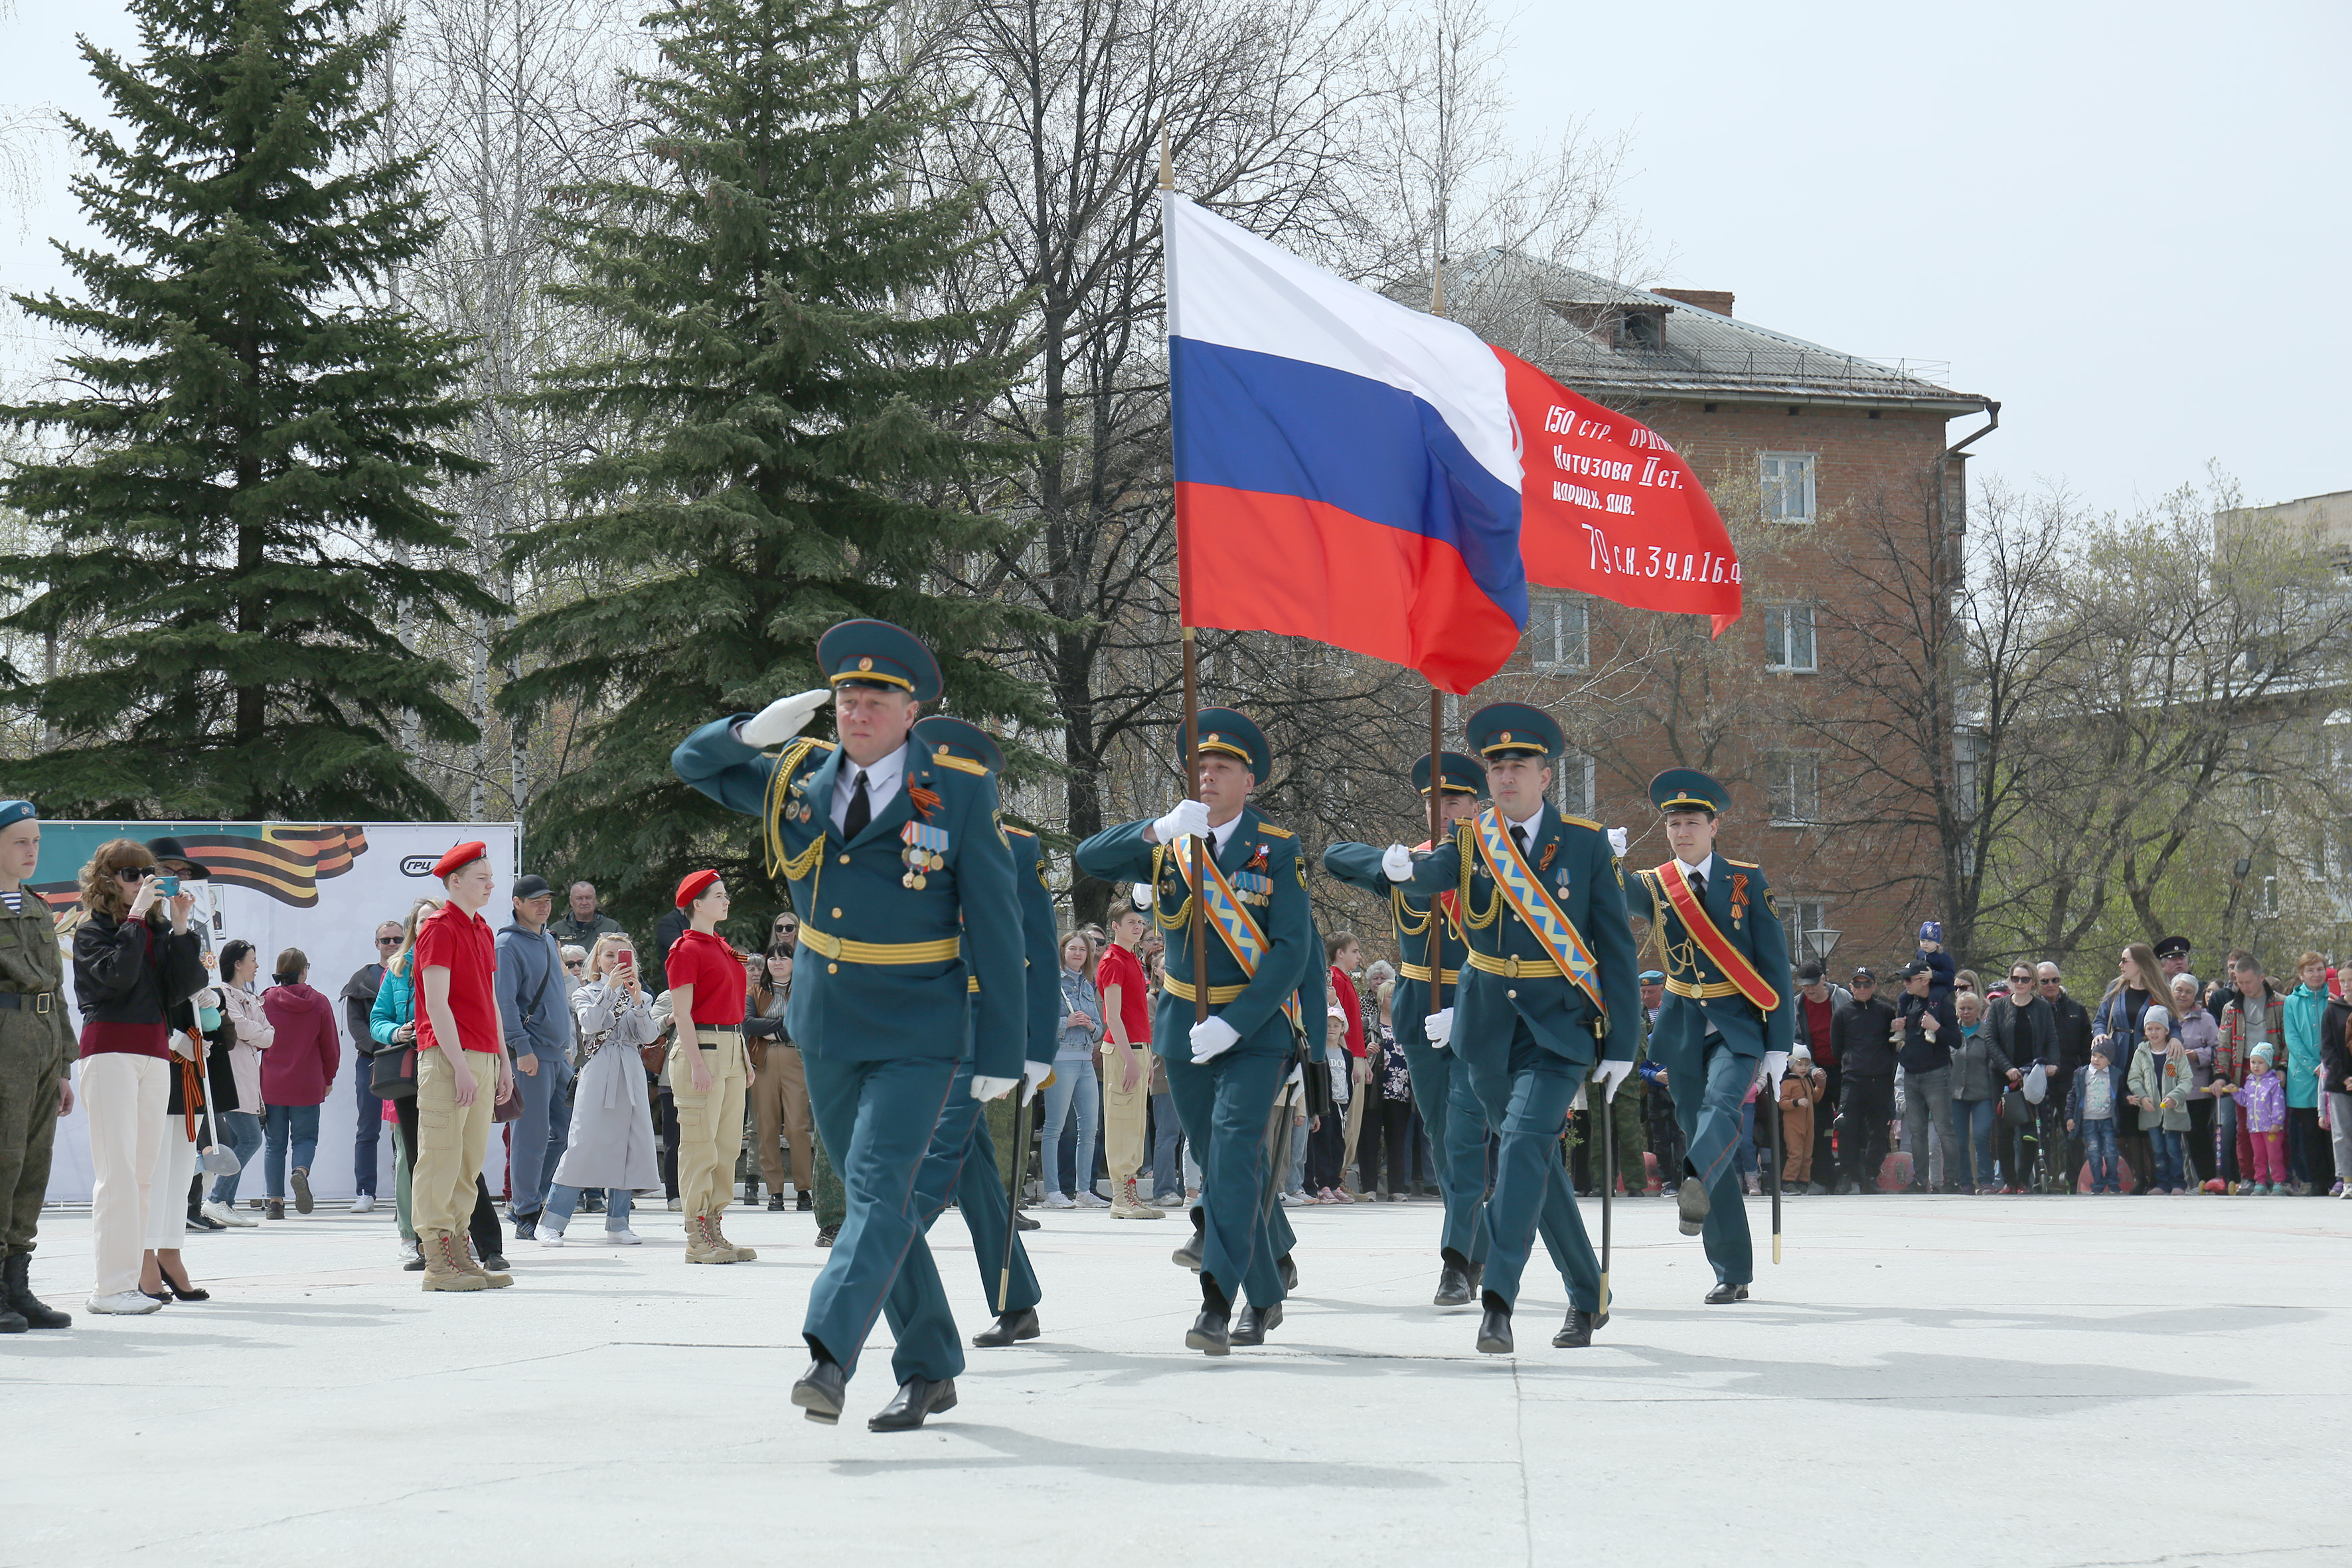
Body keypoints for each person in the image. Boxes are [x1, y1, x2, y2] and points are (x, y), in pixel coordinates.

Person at [672, 617, 1028, 1431]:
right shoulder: (798, 779)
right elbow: (691, 764)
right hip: (827, 1025)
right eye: (846, 696)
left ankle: (830, 1355)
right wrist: (745, 732)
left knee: (872, 1190)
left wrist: (1005, 1047)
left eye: (876, 698)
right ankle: (932, 1364)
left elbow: (999, 927)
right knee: (885, 1203)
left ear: (910, 712)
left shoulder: (958, 790)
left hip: (917, 1027)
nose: (856, 710)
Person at [1387, 704, 1637, 1350]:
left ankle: (1497, 1297)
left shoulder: (1583, 844)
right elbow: (1432, 874)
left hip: (1558, 1031)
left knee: (1525, 1144)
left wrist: (1622, 1042)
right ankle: (1588, 1293)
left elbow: (1615, 949)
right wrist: (1398, 868)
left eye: (1517, 765)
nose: (1504, 776)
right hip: (1488, 1030)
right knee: (1540, 1166)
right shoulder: (1472, 840)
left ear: (1545, 774)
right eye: (1496, 765)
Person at [1075, 704, 1313, 1357]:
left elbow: (1292, 951)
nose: (1207, 777)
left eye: (1222, 768)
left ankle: (1217, 1301)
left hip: (1254, 1026)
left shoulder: (1278, 848)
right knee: (1220, 1160)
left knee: (1234, 1154)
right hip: (1183, 1019)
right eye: (1200, 767)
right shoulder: (1172, 844)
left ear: (1248, 780)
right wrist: (1154, 830)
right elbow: (1089, 856)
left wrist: (1236, 1023)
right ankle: (1266, 1292)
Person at [900, 714, 1058, 1350]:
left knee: (936, 1154)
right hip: (917, 1022)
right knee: (972, 1172)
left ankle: (881, 1253)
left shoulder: (1015, 847)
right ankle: (1016, 1299)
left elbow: (1041, 953)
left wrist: (1036, 1048)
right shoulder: (901, 838)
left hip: (975, 1027)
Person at [1326, 749, 1492, 1303]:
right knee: (1442, 1134)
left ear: (1476, 805)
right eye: (1435, 803)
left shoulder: (1495, 862)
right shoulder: (1411, 866)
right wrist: (1390, 862)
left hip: (1477, 1004)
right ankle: (1476, 1238)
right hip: (1419, 1005)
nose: (1444, 811)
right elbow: (1334, 858)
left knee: (1465, 1133)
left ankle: (1454, 1261)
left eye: (1455, 800)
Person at [1630, 766, 1790, 1302]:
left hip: (1737, 1025)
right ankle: (1731, 1271)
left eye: (1691, 822)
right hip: (1680, 1028)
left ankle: (1693, 1172)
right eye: (1673, 823)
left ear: (1713, 825)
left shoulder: (1745, 880)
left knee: (1720, 1113)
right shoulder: (1654, 884)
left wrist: (1778, 1043)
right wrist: (1604, 860)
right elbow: (1606, 897)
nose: (1681, 832)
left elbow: (1774, 963)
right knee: (1706, 1137)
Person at [72, 838, 204, 1315]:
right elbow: (116, 979)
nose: (142, 881)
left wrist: (183, 927)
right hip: (109, 1052)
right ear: (107, 879)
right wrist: (134, 920)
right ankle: (109, 1288)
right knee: (118, 1174)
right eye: (131, 874)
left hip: (153, 1053)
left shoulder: (155, 931)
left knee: (143, 1174)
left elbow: (184, 988)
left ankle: (130, 1284)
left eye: (148, 873)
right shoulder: (92, 932)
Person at [410, 842, 516, 1291]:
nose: (491, 884)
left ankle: (458, 1250)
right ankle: (437, 1260)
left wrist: (502, 1061)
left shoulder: (482, 929)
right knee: (440, 1158)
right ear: (454, 882)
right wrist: (461, 1065)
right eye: (481, 877)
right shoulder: (438, 927)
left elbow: (489, 1001)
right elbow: (436, 1004)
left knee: (468, 1162)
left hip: (482, 1057)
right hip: (448, 1057)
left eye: (491, 876)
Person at [0, 803, 74, 1330]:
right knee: (2, 1161)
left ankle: (16, 1284)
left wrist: (66, 1064)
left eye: (36, 842)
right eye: (20, 841)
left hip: (45, 1039)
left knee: (33, 1162)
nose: (31, 851)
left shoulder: (38, 907)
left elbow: (57, 987)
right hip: (5, 1038)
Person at [541, 933, 660, 1245]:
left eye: (623, 955)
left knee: (628, 1144)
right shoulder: (585, 993)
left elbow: (647, 1036)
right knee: (582, 1143)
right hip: (599, 1070)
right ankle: (552, 1221)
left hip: (631, 1069)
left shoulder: (643, 996)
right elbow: (592, 1024)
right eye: (609, 955)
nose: (616, 961)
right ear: (598, 961)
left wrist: (636, 1001)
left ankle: (618, 1223)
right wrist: (611, 991)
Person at [662, 871, 753, 1262]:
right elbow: (681, 1014)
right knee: (699, 1146)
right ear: (697, 905)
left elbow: (734, 1012)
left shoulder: (721, 946)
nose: (726, 899)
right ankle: (697, 1236)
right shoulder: (686, 950)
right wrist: (697, 1064)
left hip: (731, 1047)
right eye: (718, 895)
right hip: (703, 1047)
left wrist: (745, 1058)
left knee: (727, 1146)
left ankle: (714, 1226)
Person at [495, 874, 573, 1240]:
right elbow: (504, 1004)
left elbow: (558, 997)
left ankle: (532, 1200)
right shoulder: (507, 945)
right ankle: (526, 1211)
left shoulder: (548, 939)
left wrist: (567, 1045)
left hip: (558, 1053)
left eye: (548, 899)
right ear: (517, 903)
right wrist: (521, 1049)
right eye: (535, 899)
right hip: (531, 1055)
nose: (544, 905)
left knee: (567, 1133)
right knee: (530, 1135)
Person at [259, 949, 339, 1220]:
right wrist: (328, 1079)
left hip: (272, 1083)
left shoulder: (266, 1000)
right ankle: (300, 1172)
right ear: (304, 970)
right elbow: (330, 1047)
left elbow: (257, 1041)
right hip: (307, 1082)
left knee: (274, 1144)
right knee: (305, 1138)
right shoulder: (319, 1002)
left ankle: (274, 1202)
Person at [1096, 902, 1163, 1218]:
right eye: (1131, 922)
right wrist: (1131, 1060)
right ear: (1115, 927)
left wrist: (1145, 1058)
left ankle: (1132, 1193)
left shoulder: (1134, 959)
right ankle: (1120, 1197)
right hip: (1123, 1050)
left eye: (1140, 922)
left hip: (1139, 1048)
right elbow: (1112, 1016)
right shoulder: (1112, 960)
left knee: (1136, 1125)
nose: (1138, 927)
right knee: (1121, 1123)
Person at [201, 941, 271, 1225]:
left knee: (241, 1140)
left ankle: (224, 1201)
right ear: (237, 964)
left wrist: (254, 1032)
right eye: (252, 960)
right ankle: (216, 1199)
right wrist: (255, 1032)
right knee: (252, 1139)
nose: (256, 966)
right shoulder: (222, 994)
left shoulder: (250, 997)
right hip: (230, 1077)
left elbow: (269, 1036)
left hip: (247, 1078)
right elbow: (241, 1028)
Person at [2092, 942, 2171, 1190]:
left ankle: (2159, 1176)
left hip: (2149, 1059)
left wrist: (2176, 1038)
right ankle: (2140, 1177)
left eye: (2125, 961)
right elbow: (2101, 1018)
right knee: (2125, 1119)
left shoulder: (2158, 990)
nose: (2121, 965)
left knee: (2150, 1115)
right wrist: (2099, 1034)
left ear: (2140, 964)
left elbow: (2173, 1021)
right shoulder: (2116, 989)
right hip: (2121, 1056)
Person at [337, 921, 402, 1213]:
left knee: (405, 1127)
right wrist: (381, 1047)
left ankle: (407, 1187)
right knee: (368, 1127)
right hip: (373, 1060)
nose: (391, 943)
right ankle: (365, 1191)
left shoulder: (413, 973)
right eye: (385, 939)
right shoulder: (362, 979)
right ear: (376, 944)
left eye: (397, 939)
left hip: (407, 1059)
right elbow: (356, 1024)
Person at [745, 941, 815, 1212]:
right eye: (772, 958)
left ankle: (804, 1190)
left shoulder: (805, 989)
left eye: (784, 958)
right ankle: (775, 1191)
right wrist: (785, 1024)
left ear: (794, 963)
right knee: (767, 1128)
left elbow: (805, 1023)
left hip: (795, 1060)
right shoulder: (755, 991)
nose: (777, 962)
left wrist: (773, 1029)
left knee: (798, 1126)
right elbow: (748, 1023)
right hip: (762, 1061)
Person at [1039, 930, 1104, 1208]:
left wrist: (1090, 1025)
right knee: (1054, 1128)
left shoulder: (1088, 985)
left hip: (1086, 1060)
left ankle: (1084, 1191)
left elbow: (1100, 1028)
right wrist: (1069, 1023)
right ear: (1063, 951)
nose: (1078, 954)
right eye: (1073, 948)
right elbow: (1040, 1025)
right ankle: (1053, 1192)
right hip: (1061, 1060)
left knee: (1090, 1128)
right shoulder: (1052, 983)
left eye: (1083, 950)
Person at [1986, 960, 2061, 1192]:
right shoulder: (1999, 1007)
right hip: (2003, 1076)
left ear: (2033, 983)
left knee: (2030, 1130)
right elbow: (1990, 1040)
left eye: (2025, 979)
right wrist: (2007, 1068)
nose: (2020, 983)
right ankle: (2008, 1181)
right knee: (2004, 1130)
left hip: (2032, 1074)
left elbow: (2051, 1039)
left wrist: (2053, 1063)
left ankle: (2022, 1181)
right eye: (2016, 979)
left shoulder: (2042, 1008)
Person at [2211, 951, 2284, 1191]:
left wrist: (2282, 1067)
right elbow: (2223, 1044)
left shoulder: (2281, 1004)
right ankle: (2249, 1177)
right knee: (2245, 1129)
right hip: (2244, 1073)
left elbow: (2288, 1042)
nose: (2244, 987)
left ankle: (2279, 1177)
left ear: (2261, 977)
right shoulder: (2231, 1008)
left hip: (2273, 1074)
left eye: (2248, 982)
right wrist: (2221, 1075)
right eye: (2239, 983)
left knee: (2276, 1126)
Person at [1893, 959, 1958, 1193]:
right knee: (1916, 1131)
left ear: (1924, 980)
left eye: (1909, 979)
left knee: (1943, 1128)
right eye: (1904, 979)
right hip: (1911, 1073)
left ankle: (1952, 1181)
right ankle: (1920, 1181)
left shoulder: (1943, 1005)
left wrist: (1937, 1027)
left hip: (1936, 1073)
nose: (1905, 983)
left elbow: (1957, 1041)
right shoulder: (1906, 1001)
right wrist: (1897, 1027)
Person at [1832, 967, 1898, 1193]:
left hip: (1880, 1079)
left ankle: (1871, 1175)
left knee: (1879, 1130)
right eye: (1857, 984)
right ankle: (1848, 1175)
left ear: (1874, 986)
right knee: (1847, 1126)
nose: (1862, 988)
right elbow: (1836, 1048)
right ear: (1850, 987)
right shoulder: (1842, 1013)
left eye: (1866, 984)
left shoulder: (1887, 1012)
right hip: (1853, 1078)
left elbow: (1893, 1044)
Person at [1946, 990, 2017, 1194]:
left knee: (1981, 1137)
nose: (1966, 1012)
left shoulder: (1989, 1034)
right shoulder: (1951, 1034)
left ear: (1979, 1010)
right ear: (1957, 1010)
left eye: (1970, 1008)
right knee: (1959, 1141)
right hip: (1956, 1096)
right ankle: (1966, 1182)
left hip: (1983, 1095)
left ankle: (1986, 1181)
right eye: (1962, 1008)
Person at [1788, 959, 1848, 1194]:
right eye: (1804, 986)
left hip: (1844, 1070)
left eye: (1813, 985)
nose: (1809, 990)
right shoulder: (1797, 1005)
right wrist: (1812, 1070)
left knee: (1846, 1125)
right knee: (1819, 1127)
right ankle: (1823, 1178)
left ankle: (1847, 1176)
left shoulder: (1842, 997)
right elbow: (1797, 1043)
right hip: (1817, 1071)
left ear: (1824, 980)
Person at [2127, 1004, 2192, 1193]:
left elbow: (2185, 1079)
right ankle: (2162, 1183)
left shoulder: (2175, 1053)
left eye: (2157, 1028)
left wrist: (2175, 1096)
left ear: (2166, 1030)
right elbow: (2134, 1078)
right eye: (2149, 1029)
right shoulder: (2141, 1053)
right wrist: (2143, 1098)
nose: (2153, 1033)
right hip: (2152, 1111)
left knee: (2173, 1148)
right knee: (2157, 1149)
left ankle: (2178, 1183)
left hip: (2173, 1111)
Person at [2039, 961, 2095, 1180]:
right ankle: (2043, 1180)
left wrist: (2086, 1075)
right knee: (2042, 1133)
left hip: (2070, 1079)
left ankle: (2074, 1180)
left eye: (2055, 980)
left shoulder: (2077, 1010)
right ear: (2037, 983)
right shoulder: (2033, 1008)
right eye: (2045, 981)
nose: (2051, 985)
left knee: (2073, 1131)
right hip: (2040, 1078)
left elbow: (2087, 1048)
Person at [2282, 951, 2328, 1195]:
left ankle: (2337, 1178)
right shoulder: (2291, 1002)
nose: (2316, 974)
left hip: (2332, 1072)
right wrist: (2314, 1066)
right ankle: (2317, 1180)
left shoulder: (2334, 999)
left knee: (2331, 1129)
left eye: (2320, 969)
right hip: (2304, 1076)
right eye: (2310, 970)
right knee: (2309, 1132)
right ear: (2301, 974)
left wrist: (2330, 1065)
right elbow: (2292, 1039)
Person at [2172, 975, 2221, 1191]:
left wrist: (2198, 1055)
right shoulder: (2165, 1016)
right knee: (2172, 1140)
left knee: (2198, 1137)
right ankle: (2177, 1183)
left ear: (2195, 995)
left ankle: (2207, 1181)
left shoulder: (2205, 1019)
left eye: (2188, 992)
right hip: (2170, 1089)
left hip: (2197, 1089)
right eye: (2179, 990)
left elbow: (2218, 1049)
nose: (2182, 995)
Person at [2067, 1042, 2128, 1194]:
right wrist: (2069, 1117)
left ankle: (2113, 1182)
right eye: (2094, 1055)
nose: (2096, 1059)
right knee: (2093, 1153)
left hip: (2107, 1121)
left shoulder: (2115, 1074)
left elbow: (2121, 1095)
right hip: (2089, 1123)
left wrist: (2128, 1098)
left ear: (2110, 1060)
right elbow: (2072, 1097)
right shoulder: (2082, 1074)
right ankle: (2098, 1184)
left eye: (2102, 1057)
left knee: (2111, 1152)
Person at [2236, 1044, 2288, 1192]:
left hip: (2271, 1128)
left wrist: (2277, 1122)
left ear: (2268, 1064)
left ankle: (2278, 1181)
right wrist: (2235, 1092)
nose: (2256, 1066)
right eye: (2253, 1062)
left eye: (2261, 1063)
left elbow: (2279, 1104)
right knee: (2258, 1156)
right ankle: (2261, 1182)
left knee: (2274, 1156)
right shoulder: (2249, 1082)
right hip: (2255, 1128)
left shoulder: (2274, 1083)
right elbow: (2245, 1100)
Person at [1777, 1046, 1826, 1190]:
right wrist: (1796, 1102)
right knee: (1795, 1154)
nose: (1804, 1068)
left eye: (1806, 1065)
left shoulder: (1807, 1081)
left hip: (1808, 1125)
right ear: (1791, 1065)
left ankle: (1804, 1181)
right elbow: (1782, 1103)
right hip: (1793, 1125)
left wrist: (1820, 1086)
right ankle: (1788, 1181)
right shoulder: (1787, 1083)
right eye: (1799, 1064)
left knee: (1807, 1155)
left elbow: (1815, 1098)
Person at [2321, 980, 2352, 1198]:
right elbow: (2327, 1048)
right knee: (2342, 1133)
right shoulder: (2332, 1011)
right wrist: (2344, 1077)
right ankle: (2348, 1181)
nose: (2347, 985)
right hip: (2341, 1081)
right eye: (2343, 981)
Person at [551, 882, 625, 949]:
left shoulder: (612, 928)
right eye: (579, 898)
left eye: (588, 898)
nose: (584, 903)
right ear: (571, 901)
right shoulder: (557, 930)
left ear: (595, 899)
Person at [1914, 922, 1956, 1008]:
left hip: (1942, 985)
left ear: (1937, 943)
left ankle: (1932, 1017)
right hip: (1926, 983)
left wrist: (1933, 975)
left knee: (1934, 995)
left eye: (1929, 941)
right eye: (1922, 941)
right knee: (1905, 996)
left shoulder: (1943, 956)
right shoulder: (1920, 953)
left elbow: (1950, 976)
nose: (1925, 944)